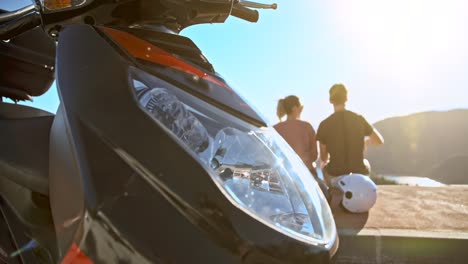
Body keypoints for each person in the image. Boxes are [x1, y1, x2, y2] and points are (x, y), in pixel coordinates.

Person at [316, 84, 384, 190]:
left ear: (330, 100)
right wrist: (366, 142)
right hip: (359, 176)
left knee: (323, 166)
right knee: (366, 163)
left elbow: (324, 158)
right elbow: (379, 141)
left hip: (336, 177)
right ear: (346, 98)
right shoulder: (359, 119)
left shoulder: (324, 124)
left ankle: (333, 192)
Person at [274, 95, 318, 173]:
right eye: (300, 108)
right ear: (294, 108)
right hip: (307, 174)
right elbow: (314, 156)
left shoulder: (275, 129)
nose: (301, 110)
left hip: (284, 175)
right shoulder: (307, 127)